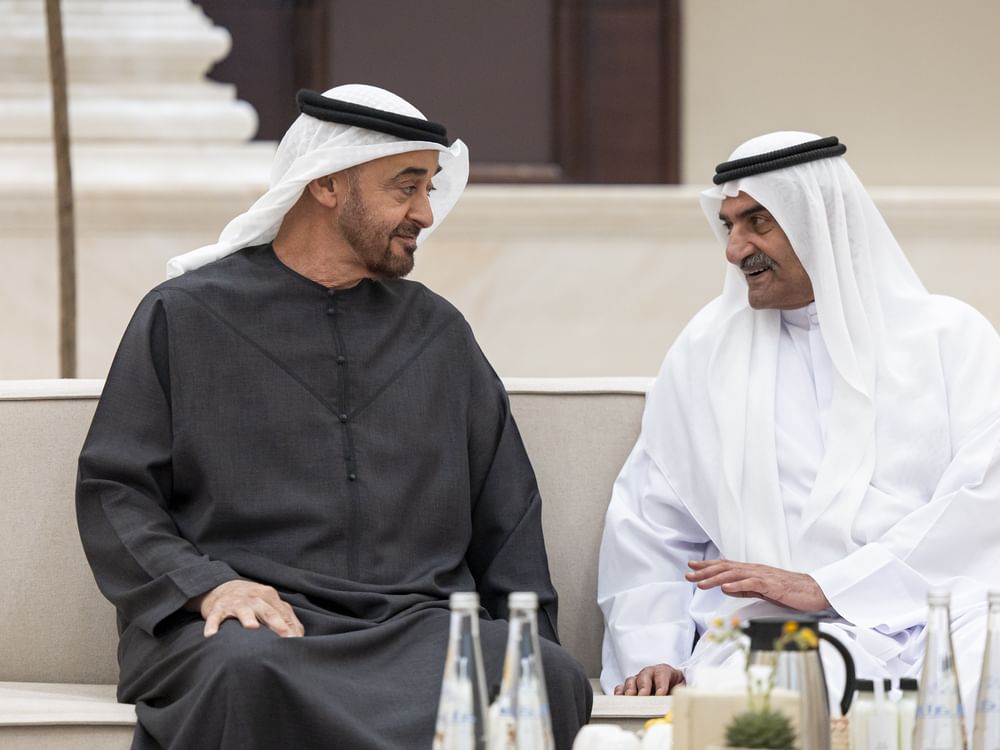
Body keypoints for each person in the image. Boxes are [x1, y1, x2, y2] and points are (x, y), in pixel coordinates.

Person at [77, 84, 591, 750]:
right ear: (326, 184)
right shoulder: (184, 316)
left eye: (429, 188)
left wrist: (528, 640)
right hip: (256, 624)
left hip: (417, 628)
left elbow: (508, 512)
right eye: (405, 187)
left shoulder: (437, 333)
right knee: (244, 670)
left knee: (546, 676)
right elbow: (116, 490)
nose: (425, 213)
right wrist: (208, 588)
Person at [597, 132, 999, 712]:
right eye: (729, 226)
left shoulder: (951, 338)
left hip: (936, 611)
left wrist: (833, 586)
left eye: (758, 222)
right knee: (788, 682)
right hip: (774, 628)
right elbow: (651, 525)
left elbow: (984, 502)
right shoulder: (706, 353)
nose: (735, 249)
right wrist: (653, 653)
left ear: (820, 221)